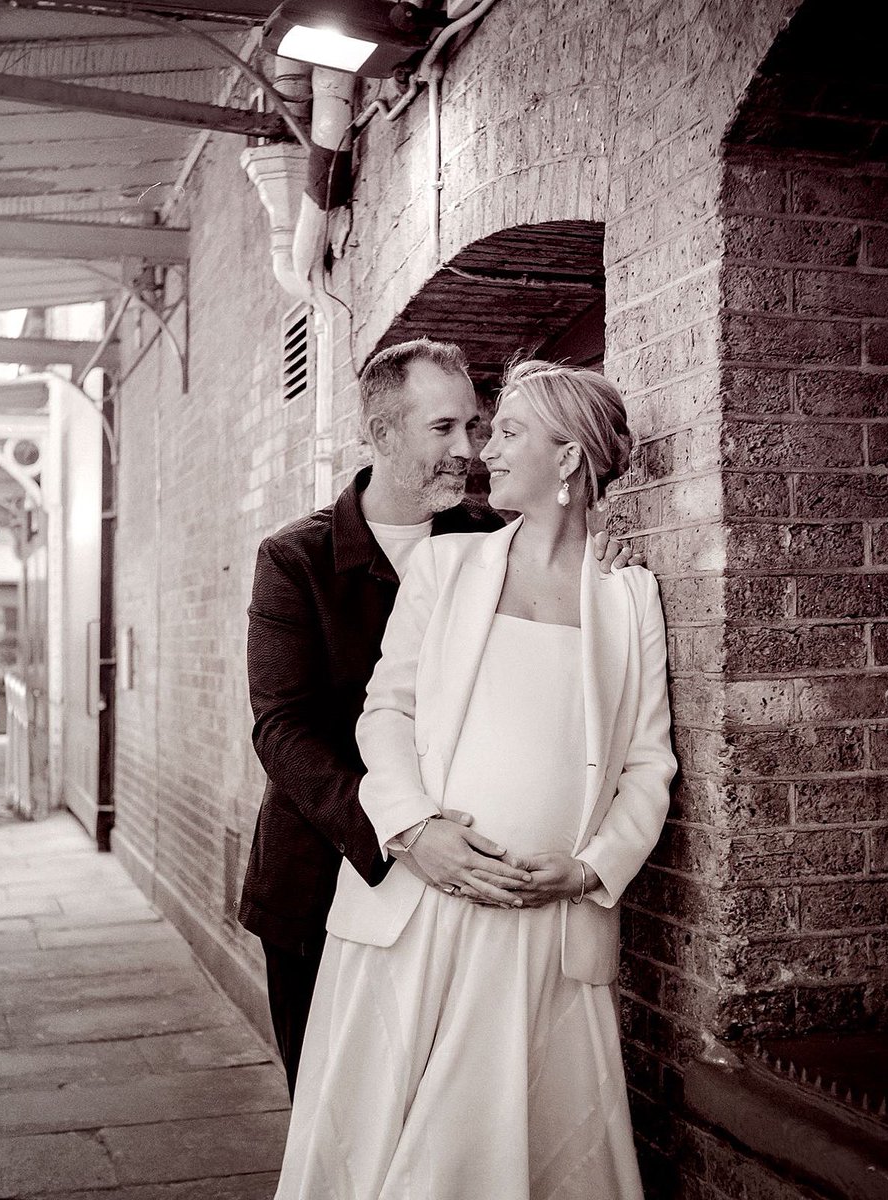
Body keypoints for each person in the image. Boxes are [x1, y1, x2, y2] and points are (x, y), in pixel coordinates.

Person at [275, 361, 677, 1200]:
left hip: (542, 931)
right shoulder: (446, 566)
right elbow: (383, 714)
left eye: (510, 432)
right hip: (419, 911)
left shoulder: (630, 600)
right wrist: (416, 829)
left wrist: (591, 869)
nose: (485, 449)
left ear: (568, 460)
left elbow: (648, 764)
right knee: (381, 1149)